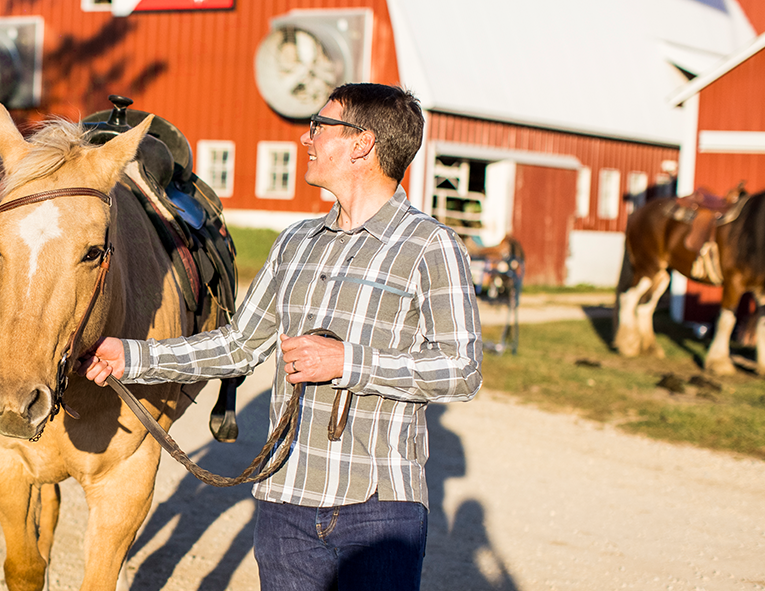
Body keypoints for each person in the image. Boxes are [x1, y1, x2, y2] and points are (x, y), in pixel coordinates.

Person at [83, 83, 481, 590]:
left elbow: (462, 369)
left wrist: (348, 362)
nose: (306, 138)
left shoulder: (431, 246)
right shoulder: (295, 242)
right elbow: (239, 345)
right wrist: (131, 357)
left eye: (319, 126)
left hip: (378, 510)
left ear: (362, 144)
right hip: (285, 504)